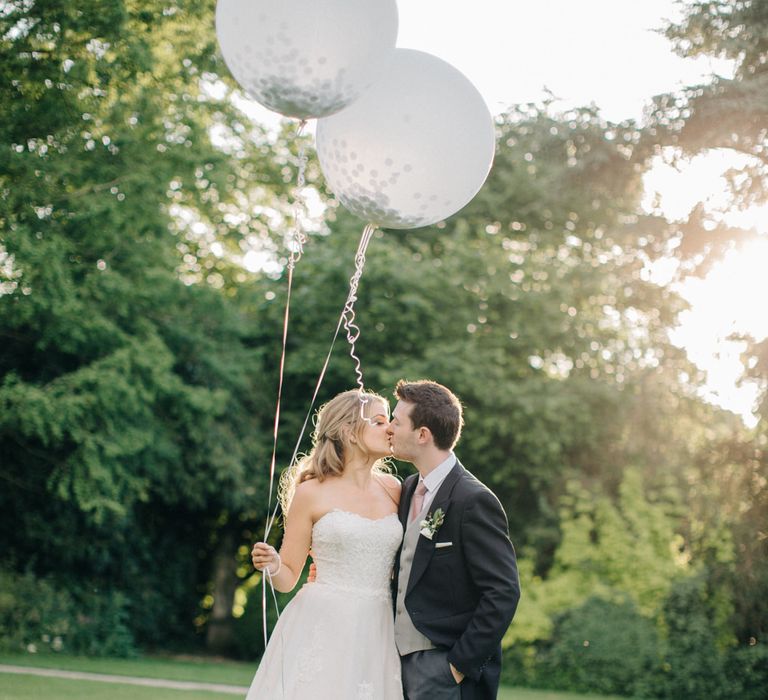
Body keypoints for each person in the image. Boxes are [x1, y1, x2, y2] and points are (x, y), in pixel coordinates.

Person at [246, 389, 404, 700]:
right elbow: (288, 576)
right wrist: (273, 563)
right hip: (323, 623)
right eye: (379, 421)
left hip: (379, 626)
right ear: (349, 432)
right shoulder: (311, 492)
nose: (390, 429)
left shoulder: (395, 489)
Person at [388, 379, 520, 700]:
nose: (389, 428)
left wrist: (457, 665)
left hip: (443, 667)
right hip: (392, 662)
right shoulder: (406, 489)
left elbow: (503, 592)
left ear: (423, 435)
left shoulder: (473, 500)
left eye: (396, 420)